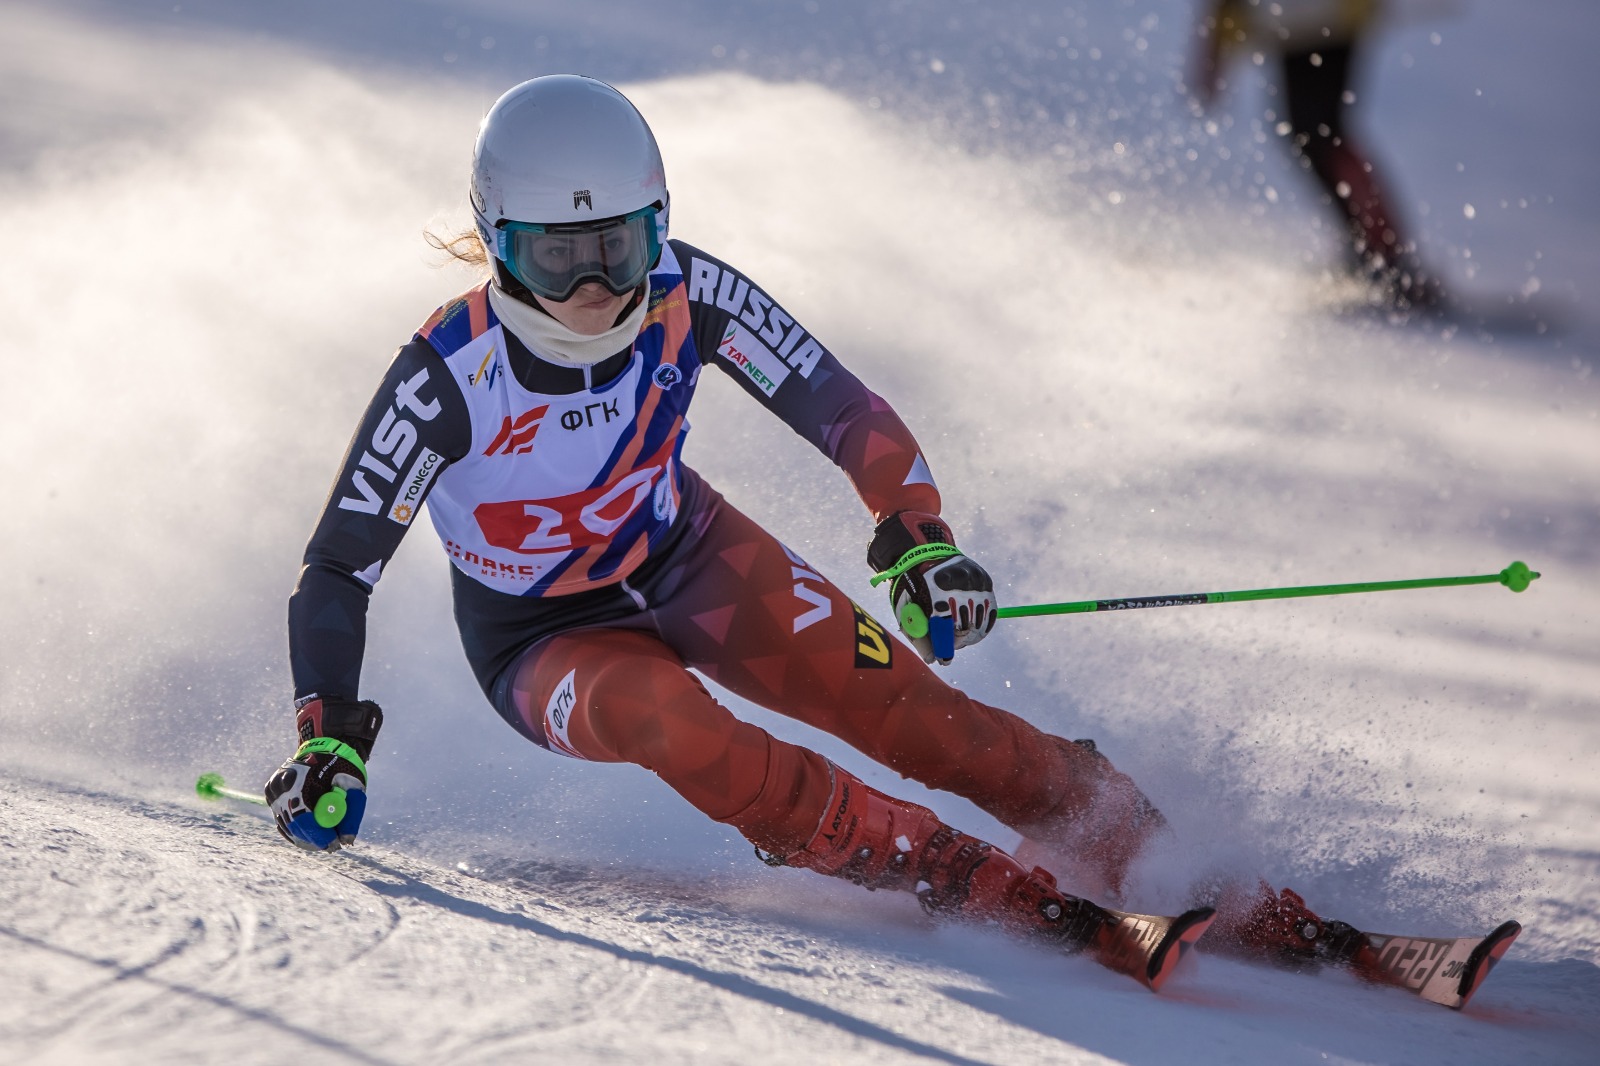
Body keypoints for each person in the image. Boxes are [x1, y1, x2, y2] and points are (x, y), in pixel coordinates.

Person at [268, 74, 1351, 967]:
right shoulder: (444, 376)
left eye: (623, 247)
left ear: (661, 227)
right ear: (496, 241)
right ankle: (937, 864)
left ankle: (1163, 858)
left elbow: (837, 405)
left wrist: (915, 529)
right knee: (668, 720)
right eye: (560, 256)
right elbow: (338, 568)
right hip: (541, 639)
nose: (598, 287)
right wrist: (328, 738)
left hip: (689, 553)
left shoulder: (691, 294)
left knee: (916, 715)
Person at [1189, 0, 1445, 310]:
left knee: (1318, 132)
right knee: (1313, 133)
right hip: (1303, 17)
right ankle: (1375, 253)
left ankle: (1386, 257)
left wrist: (1213, 50)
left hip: (1319, 14)